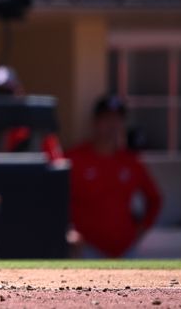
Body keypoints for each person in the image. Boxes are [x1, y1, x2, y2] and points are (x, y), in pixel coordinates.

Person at [65, 95, 162, 258]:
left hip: (125, 250)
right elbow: (52, 200)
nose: (112, 125)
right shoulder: (74, 158)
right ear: (95, 122)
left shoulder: (131, 161)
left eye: (117, 120)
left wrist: (140, 230)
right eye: (107, 119)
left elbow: (155, 199)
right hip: (87, 250)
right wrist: (68, 231)